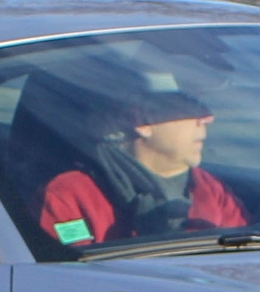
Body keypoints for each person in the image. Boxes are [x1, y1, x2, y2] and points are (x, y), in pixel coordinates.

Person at [38, 96, 245, 249]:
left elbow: (244, 253)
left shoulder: (210, 188)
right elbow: (69, 273)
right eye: (189, 108)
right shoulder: (70, 194)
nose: (207, 119)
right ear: (142, 123)